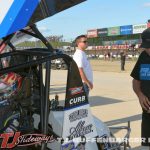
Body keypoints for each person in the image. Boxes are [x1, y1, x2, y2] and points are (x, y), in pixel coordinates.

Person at [131, 28, 150, 149]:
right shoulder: (143, 56)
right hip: (147, 114)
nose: (148, 49)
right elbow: (136, 80)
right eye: (146, 46)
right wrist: (140, 95)